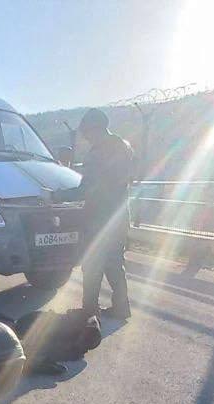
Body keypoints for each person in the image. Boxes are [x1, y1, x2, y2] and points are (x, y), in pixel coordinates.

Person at [77, 108, 134, 320]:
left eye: (87, 133)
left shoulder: (97, 153)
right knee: (115, 264)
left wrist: (56, 195)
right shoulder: (124, 146)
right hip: (119, 216)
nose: (86, 138)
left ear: (95, 129)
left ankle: (89, 311)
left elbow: (87, 188)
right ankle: (122, 308)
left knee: (92, 265)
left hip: (99, 219)